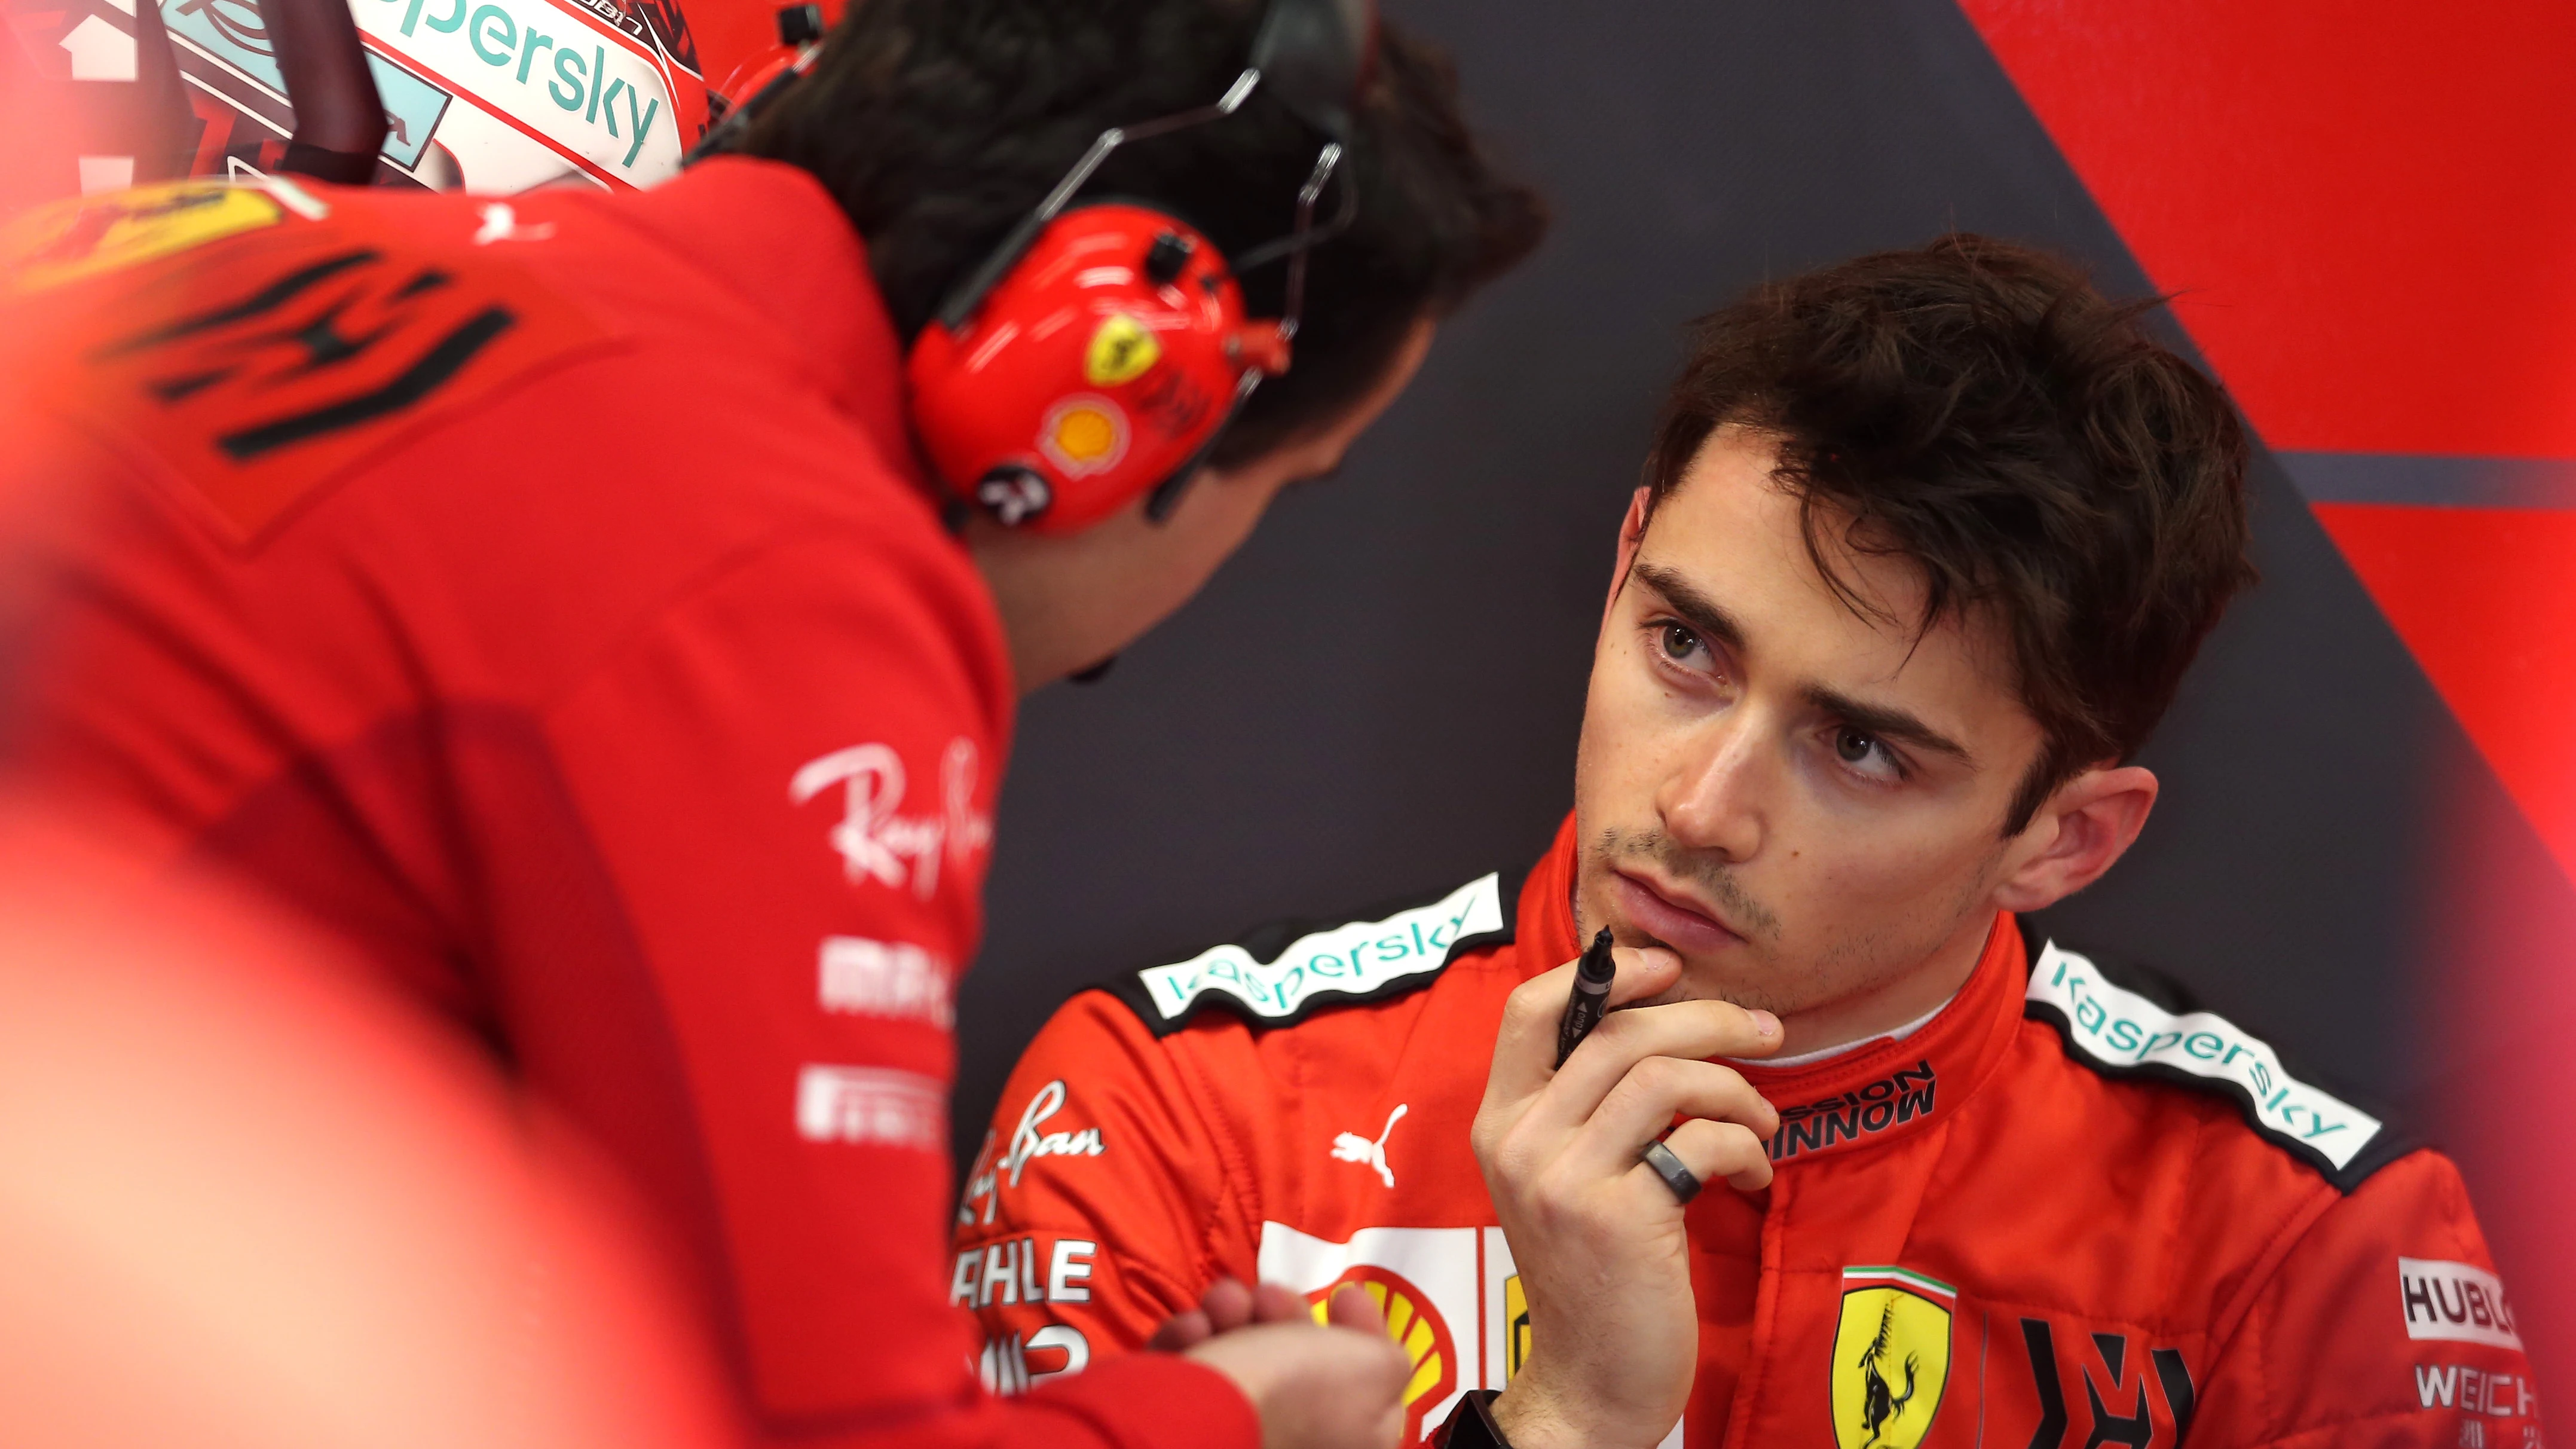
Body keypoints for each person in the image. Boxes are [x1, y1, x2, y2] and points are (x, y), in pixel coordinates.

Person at [0, 0, 1544, 1446]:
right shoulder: (777, 562)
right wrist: (1240, 1416)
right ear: (1106, 389)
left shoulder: (276, 243)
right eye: (1290, 487)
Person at [954, 236, 2539, 1448]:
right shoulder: (1179, 1120)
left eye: (1858, 747)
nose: (1697, 809)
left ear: (2061, 841)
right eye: (1686, 649)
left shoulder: (2308, 1261)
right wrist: (1568, 1420)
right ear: (1625, 561)